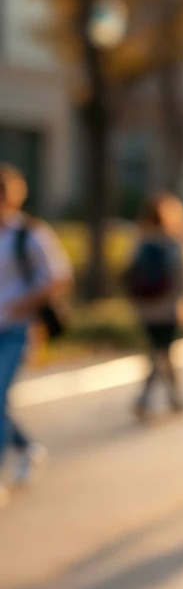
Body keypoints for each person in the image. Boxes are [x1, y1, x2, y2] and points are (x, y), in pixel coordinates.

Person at [0, 164, 72, 497]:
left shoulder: (29, 234)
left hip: (18, 329)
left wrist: (24, 302)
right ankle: (27, 448)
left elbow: (59, 276)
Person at [125, 192, 183, 419]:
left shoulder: (141, 239)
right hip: (167, 306)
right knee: (161, 352)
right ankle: (150, 399)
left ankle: (173, 398)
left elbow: (129, 275)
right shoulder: (172, 241)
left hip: (147, 307)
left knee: (161, 352)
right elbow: (180, 278)